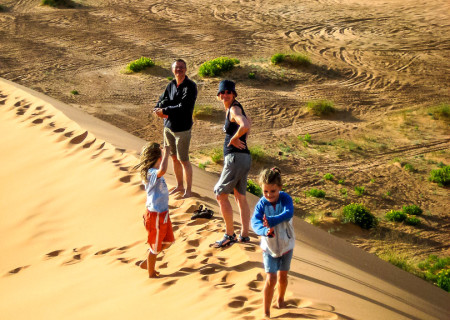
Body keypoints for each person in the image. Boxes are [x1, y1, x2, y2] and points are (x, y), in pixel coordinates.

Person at [251, 167, 295, 319]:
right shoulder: (262, 204)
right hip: (269, 248)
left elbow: (289, 212)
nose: (269, 195)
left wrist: (271, 221)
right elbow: (255, 222)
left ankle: (281, 299)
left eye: (273, 191)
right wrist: (264, 231)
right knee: (271, 279)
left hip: (287, 245)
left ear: (280, 188)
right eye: (265, 191)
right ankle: (266, 312)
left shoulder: (285, 199)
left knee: (283, 276)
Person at [213, 80, 252, 248]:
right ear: (219, 95)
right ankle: (244, 235)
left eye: (229, 92)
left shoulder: (234, 109)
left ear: (234, 94)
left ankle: (229, 235)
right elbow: (248, 125)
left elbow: (246, 124)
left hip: (235, 158)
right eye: (223, 92)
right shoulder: (233, 108)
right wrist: (241, 137)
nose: (225, 94)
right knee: (239, 197)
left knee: (220, 194)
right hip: (243, 157)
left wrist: (235, 138)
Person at [154, 59, 197, 198]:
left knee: (183, 160)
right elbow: (163, 99)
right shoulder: (171, 85)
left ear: (185, 69)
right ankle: (179, 186)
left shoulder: (190, 86)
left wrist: (164, 110)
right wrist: (158, 108)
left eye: (181, 67)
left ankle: (188, 190)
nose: (179, 70)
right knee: (173, 158)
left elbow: (183, 107)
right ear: (172, 70)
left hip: (182, 129)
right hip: (168, 127)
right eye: (176, 68)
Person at [134, 142, 174, 278]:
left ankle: (147, 262)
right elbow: (162, 170)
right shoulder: (151, 173)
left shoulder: (155, 173)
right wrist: (167, 153)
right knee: (155, 247)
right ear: (158, 157)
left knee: (168, 242)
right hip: (155, 215)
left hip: (163, 213)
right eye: (161, 155)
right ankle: (151, 273)